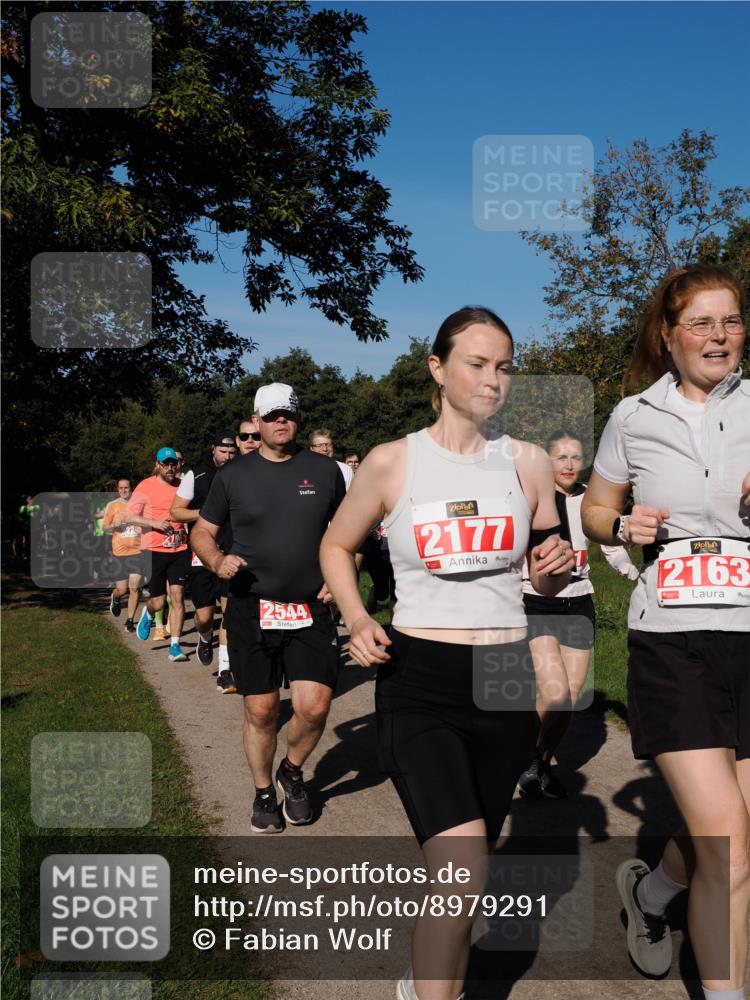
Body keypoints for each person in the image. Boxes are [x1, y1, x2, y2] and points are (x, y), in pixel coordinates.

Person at [320, 307, 574, 1000]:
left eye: (504, 366)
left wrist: (552, 560)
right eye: (477, 363)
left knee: (468, 870)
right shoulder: (392, 461)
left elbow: (547, 570)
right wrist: (355, 614)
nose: (494, 380)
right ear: (437, 368)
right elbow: (337, 546)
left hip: (502, 677)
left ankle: (425, 982)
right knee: (462, 868)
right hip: (421, 678)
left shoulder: (527, 463)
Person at [581, 264, 750, 994]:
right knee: (732, 848)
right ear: (669, 334)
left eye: (733, 320)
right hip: (674, 637)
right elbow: (594, 510)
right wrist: (623, 522)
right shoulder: (631, 416)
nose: (720, 336)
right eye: (703, 322)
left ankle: (651, 898)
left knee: (738, 840)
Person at [191, 383, 346, 833]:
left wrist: (343, 578)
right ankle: (263, 794)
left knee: (315, 707)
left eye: (289, 415)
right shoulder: (233, 476)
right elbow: (201, 531)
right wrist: (218, 560)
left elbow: (348, 531)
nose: (282, 422)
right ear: (256, 422)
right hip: (250, 606)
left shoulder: (325, 471)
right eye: (273, 415)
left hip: (310, 606)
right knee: (260, 710)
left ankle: (292, 772)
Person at [518, 429, 640, 799]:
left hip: (579, 601)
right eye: (560, 457)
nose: (569, 464)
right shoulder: (532, 499)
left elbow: (611, 546)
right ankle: (522, 756)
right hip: (536, 602)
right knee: (553, 692)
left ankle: (541, 763)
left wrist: (636, 575)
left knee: (569, 696)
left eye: (575, 457)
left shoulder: (590, 501)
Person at [170, 430, 238, 691]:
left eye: (232, 452)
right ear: (213, 450)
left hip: (232, 552)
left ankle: (225, 669)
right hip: (202, 554)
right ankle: (205, 636)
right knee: (205, 616)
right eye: (223, 451)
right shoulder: (196, 475)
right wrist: (205, 512)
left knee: (230, 613)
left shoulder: (243, 474)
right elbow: (175, 511)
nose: (228, 456)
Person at [128, 447, 191, 661]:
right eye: (166, 464)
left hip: (180, 548)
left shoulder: (183, 486)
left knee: (178, 597)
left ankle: (175, 646)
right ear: (157, 464)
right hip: (154, 549)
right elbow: (130, 516)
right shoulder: (145, 486)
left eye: (174, 463)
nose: (170, 467)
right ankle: (148, 612)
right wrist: (154, 523)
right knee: (159, 602)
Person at [102, 478, 143, 632]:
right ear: (117, 489)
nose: (124, 490)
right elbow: (105, 527)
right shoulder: (112, 506)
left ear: (131, 488)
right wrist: (114, 525)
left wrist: (141, 528)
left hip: (137, 551)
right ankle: (116, 597)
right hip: (119, 552)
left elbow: (146, 522)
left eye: (126, 487)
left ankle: (130, 620)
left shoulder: (139, 505)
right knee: (122, 590)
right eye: (121, 488)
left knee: (134, 588)